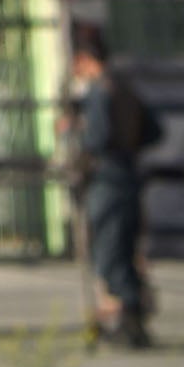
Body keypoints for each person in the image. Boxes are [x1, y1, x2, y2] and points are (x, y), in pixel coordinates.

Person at [61, 24, 160, 349]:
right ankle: (131, 322)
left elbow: (96, 138)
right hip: (129, 175)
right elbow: (154, 131)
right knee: (125, 249)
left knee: (110, 253)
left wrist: (73, 128)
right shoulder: (124, 89)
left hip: (106, 180)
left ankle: (128, 322)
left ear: (85, 58)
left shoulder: (97, 92)